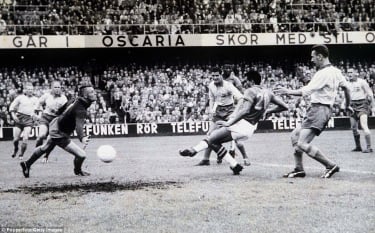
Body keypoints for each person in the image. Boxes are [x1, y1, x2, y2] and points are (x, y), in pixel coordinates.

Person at [180, 70, 288, 175]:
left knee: (211, 138)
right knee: (214, 142)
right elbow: (285, 107)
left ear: (251, 81)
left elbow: (245, 110)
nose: (245, 83)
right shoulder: (268, 92)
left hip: (241, 124)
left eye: (246, 80)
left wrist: (229, 123)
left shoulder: (250, 91)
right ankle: (234, 165)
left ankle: (194, 150)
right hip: (251, 128)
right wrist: (269, 110)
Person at [275, 44, 353, 179]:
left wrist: (287, 91)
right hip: (318, 109)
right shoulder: (336, 71)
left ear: (320, 56)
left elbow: (306, 91)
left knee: (302, 143)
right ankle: (299, 169)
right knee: (295, 136)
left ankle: (330, 165)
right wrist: (347, 105)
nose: (312, 60)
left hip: (319, 109)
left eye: (313, 57)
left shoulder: (323, 73)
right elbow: (347, 88)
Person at [20, 82, 97, 178]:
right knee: (82, 155)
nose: (95, 93)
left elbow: (61, 109)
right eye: (92, 92)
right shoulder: (81, 108)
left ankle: (26, 164)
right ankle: (78, 171)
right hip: (60, 133)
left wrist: (62, 116)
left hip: (56, 124)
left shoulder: (75, 99)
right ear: (85, 95)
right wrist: (82, 137)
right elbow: (79, 125)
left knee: (45, 147)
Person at [196, 67, 249, 166]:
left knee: (236, 137)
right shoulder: (211, 85)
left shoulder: (228, 86)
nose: (215, 78)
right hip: (218, 111)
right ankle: (206, 159)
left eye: (217, 75)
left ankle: (245, 157)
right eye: (213, 76)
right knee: (210, 135)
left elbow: (241, 98)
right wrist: (211, 110)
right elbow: (211, 98)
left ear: (221, 75)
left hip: (230, 111)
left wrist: (234, 113)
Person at [35, 81, 68, 163]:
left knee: (51, 140)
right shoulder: (46, 96)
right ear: (51, 88)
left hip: (55, 120)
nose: (57, 89)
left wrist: (58, 112)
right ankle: (36, 153)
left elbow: (66, 112)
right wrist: (39, 112)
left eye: (59, 87)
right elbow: (38, 104)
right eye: (55, 87)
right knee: (41, 136)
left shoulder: (63, 98)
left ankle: (46, 155)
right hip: (45, 117)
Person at [347, 68, 374, 153]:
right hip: (352, 106)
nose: (349, 74)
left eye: (351, 72)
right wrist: (347, 105)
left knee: (364, 125)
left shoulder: (362, 82)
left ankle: (369, 147)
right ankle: (358, 147)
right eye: (348, 72)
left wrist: (373, 106)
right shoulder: (347, 84)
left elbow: (370, 94)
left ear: (356, 73)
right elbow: (347, 96)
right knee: (354, 128)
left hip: (362, 104)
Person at [9, 83, 39, 160]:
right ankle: (16, 149)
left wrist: (37, 116)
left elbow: (38, 110)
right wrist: (13, 116)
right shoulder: (20, 98)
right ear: (25, 90)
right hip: (19, 118)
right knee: (16, 139)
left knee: (25, 138)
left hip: (29, 120)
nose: (30, 91)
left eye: (31, 89)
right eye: (28, 89)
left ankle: (21, 154)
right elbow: (12, 107)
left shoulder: (36, 99)